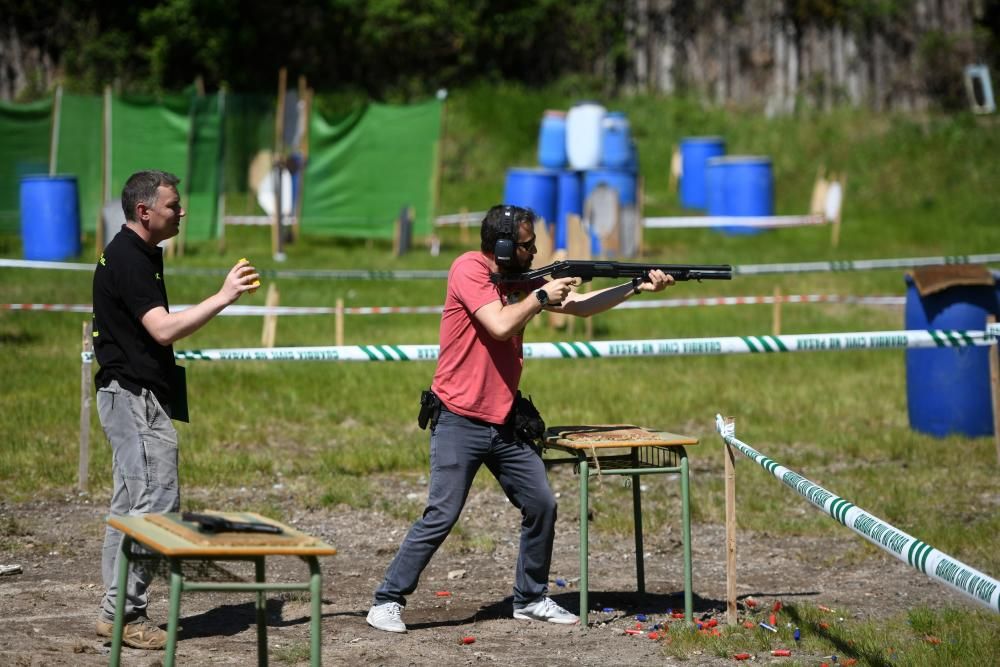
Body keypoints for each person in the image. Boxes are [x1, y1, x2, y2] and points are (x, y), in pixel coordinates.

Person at [366, 204, 674, 633]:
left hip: (504, 420)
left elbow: (583, 307)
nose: (535, 251)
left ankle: (530, 597)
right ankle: (386, 600)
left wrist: (634, 287)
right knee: (442, 513)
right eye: (528, 245)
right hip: (459, 417)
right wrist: (540, 296)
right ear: (507, 247)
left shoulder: (523, 281)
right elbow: (498, 324)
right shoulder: (469, 270)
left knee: (541, 503)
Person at [92, 170, 259, 649]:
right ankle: (124, 613)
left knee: (128, 508)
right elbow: (163, 330)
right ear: (144, 212)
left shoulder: (137, 253)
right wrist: (224, 296)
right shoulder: (129, 258)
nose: (181, 211)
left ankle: (114, 611)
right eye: (172, 205)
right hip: (133, 398)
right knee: (156, 506)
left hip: (131, 396)